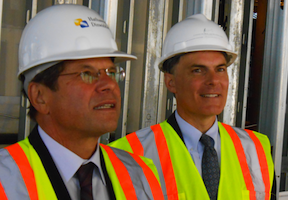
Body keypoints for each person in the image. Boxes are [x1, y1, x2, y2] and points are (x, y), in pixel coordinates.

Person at [0, 4, 164, 200]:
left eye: (111, 73)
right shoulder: (5, 181)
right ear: (39, 97)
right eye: (87, 74)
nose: (109, 85)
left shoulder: (140, 173)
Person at [110, 14, 275, 200]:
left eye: (220, 69)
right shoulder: (128, 155)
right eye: (198, 70)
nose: (213, 81)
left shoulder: (257, 149)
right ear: (170, 82)